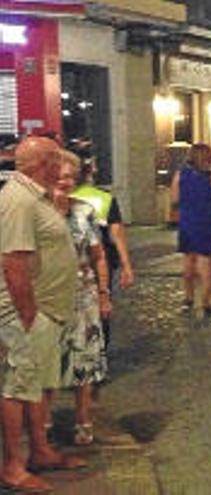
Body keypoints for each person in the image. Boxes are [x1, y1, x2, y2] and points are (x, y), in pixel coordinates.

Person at [0, 137, 86, 493]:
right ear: (42, 163)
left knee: (37, 386)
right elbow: (13, 262)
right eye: (55, 158)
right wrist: (29, 316)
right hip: (26, 314)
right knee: (17, 388)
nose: (61, 164)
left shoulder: (36, 196)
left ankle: (40, 451)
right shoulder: (18, 200)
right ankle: (13, 465)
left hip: (45, 311)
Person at [52, 151, 110, 446]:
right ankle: (43, 420)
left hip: (83, 296)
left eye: (70, 177)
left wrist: (103, 293)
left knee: (83, 363)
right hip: (48, 297)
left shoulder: (85, 210)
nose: (66, 182)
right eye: (60, 176)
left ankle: (83, 420)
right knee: (47, 360)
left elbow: (98, 256)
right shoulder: (37, 211)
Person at [69, 153, 134, 356]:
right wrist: (126, 265)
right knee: (100, 306)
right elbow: (116, 233)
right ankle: (98, 352)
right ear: (89, 170)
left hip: (69, 261)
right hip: (99, 260)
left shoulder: (60, 195)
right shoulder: (103, 198)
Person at [171, 144, 211, 316]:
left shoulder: (180, 176)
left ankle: (188, 297)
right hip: (207, 222)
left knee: (188, 260)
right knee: (206, 263)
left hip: (188, 221)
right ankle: (206, 302)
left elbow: (174, 199)